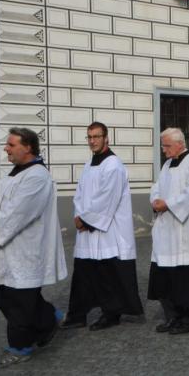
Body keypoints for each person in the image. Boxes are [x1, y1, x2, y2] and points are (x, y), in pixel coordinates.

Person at [61, 122, 144, 331]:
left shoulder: (113, 165)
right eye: (89, 137)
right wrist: (79, 216)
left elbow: (108, 198)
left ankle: (111, 314)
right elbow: (79, 194)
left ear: (106, 138)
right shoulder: (88, 165)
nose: (92, 141)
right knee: (83, 275)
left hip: (109, 231)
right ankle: (78, 314)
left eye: (96, 136)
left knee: (108, 275)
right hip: (88, 230)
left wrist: (85, 220)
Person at [1, 128, 67, 367]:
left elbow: (15, 215)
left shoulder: (37, 176)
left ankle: (20, 347)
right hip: (9, 249)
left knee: (19, 302)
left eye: (11, 144)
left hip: (25, 250)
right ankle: (49, 317)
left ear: (28, 147)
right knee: (12, 296)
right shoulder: (14, 174)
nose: (6, 148)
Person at [148, 128, 189, 335]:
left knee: (187, 277)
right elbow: (157, 187)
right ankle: (173, 316)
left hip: (188, 231)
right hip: (167, 229)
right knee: (166, 276)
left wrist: (168, 204)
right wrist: (155, 200)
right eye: (163, 145)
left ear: (180, 144)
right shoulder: (167, 165)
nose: (164, 149)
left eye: (167, 145)